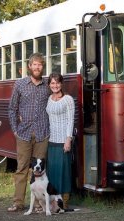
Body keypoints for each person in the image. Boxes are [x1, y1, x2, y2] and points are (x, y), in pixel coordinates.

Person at [7, 52, 51, 212]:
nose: (37, 67)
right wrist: (15, 130)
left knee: (40, 170)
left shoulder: (47, 85)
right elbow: (12, 108)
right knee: (22, 168)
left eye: (40, 64)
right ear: (29, 66)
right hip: (24, 134)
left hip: (42, 134)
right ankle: (18, 202)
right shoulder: (20, 84)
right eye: (35, 64)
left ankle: (39, 204)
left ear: (42, 67)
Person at [46, 73, 75, 209]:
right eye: (52, 83)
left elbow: (71, 120)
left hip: (63, 141)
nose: (55, 86)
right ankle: (54, 202)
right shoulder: (49, 99)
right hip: (51, 141)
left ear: (61, 84)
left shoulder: (68, 99)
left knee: (64, 172)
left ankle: (64, 201)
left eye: (57, 83)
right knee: (53, 172)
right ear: (49, 85)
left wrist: (68, 139)